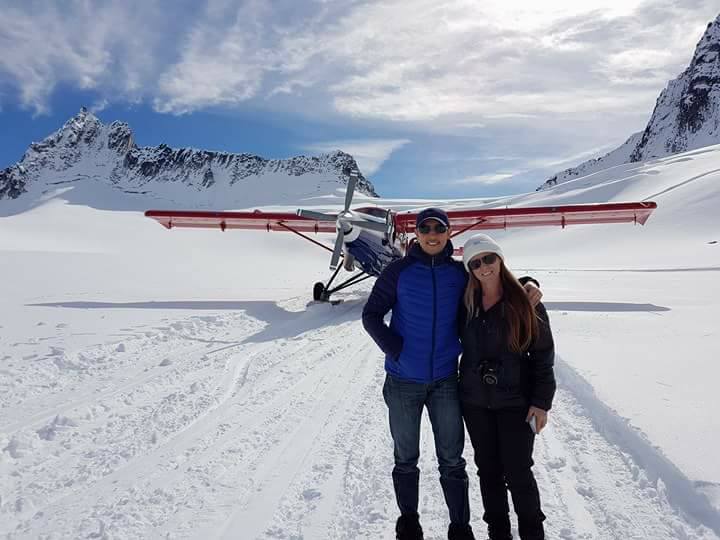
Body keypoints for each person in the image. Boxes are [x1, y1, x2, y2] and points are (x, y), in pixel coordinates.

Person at [362, 209, 541, 540]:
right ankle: (409, 524)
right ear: (416, 233)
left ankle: (460, 527)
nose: (432, 233)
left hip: (445, 380)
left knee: (452, 460)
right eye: (425, 228)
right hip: (403, 382)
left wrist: (530, 283)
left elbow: (495, 280)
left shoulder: (459, 274)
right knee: (405, 458)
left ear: (448, 233)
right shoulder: (397, 271)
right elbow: (371, 314)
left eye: (439, 228)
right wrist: (396, 349)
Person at [458, 233, 555, 540]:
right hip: (475, 404)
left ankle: (532, 533)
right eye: (475, 262)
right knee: (488, 473)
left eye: (489, 258)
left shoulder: (525, 301)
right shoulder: (466, 302)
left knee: (518, 473)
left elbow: (543, 355)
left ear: (500, 259)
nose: (484, 267)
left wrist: (541, 402)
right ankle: (498, 533)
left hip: (516, 402)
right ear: (470, 269)